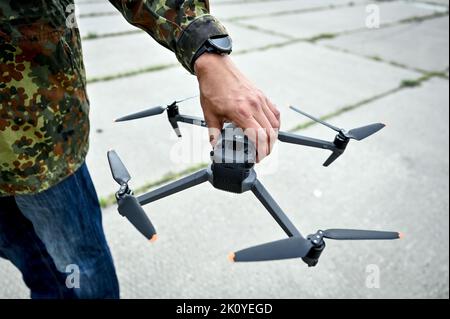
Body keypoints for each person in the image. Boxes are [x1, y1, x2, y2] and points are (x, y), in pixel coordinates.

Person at [0, 0, 280, 299]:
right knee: (35, 261)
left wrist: (205, 47)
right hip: (38, 146)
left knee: (82, 273)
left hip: (40, 146)